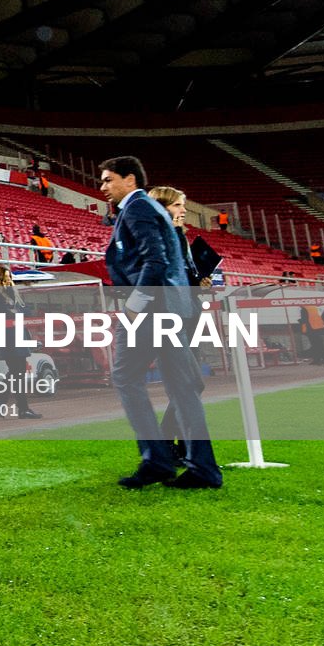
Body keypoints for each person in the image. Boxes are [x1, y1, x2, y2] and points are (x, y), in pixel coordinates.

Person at [98, 155, 221, 491]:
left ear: (130, 180)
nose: (103, 186)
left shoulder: (137, 208)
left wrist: (135, 306)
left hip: (153, 309)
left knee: (124, 376)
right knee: (182, 388)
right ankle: (202, 468)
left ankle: (157, 459)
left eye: (109, 179)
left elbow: (155, 260)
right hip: (170, 307)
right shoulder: (144, 209)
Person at [0, 265, 42, 419]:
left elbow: (26, 310)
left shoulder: (14, 293)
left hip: (19, 334)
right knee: (15, 371)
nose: (9, 280)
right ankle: (19, 407)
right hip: (7, 335)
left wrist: (16, 311)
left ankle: (7, 402)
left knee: (18, 372)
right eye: (6, 277)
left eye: (9, 276)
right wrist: (16, 312)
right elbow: (1, 313)